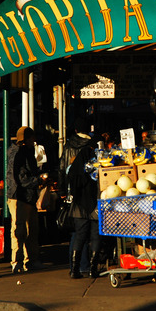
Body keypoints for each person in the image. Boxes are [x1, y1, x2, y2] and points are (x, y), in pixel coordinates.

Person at [7, 126, 47, 273]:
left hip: (26, 196)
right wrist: (39, 180)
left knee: (30, 230)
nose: (34, 141)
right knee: (20, 231)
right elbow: (21, 179)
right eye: (32, 138)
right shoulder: (18, 154)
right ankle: (18, 262)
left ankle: (29, 260)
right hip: (20, 196)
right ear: (26, 139)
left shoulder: (22, 151)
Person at [58, 118, 94, 277]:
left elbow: (61, 168)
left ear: (75, 130)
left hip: (71, 191)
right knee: (88, 230)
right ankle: (85, 266)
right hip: (88, 192)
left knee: (77, 231)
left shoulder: (68, 146)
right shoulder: (90, 145)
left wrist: (62, 190)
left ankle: (74, 266)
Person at [66, 122, 101, 279]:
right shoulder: (99, 160)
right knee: (95, 236)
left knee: (80, 235)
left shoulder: (79, 162)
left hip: (79, 205)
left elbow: (72, 180)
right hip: (96, 204)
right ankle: (93, 269)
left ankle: (74, 270)